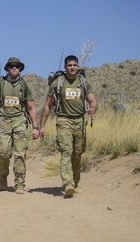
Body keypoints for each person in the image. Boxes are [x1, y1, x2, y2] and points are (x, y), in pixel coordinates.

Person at [39, 55, 98, 198]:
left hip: (80, 122)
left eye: (75, 65)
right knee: (66, 151)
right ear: (65, 67)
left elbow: (93, 101)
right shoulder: (58, 83)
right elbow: (47, 105)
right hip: (63, 120)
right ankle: (67, 184)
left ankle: (75, 183)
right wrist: (42, 126)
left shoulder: (83, 82)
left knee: (77, 153)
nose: (72, 67)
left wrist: (93, 108)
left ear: (77, 66)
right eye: (70, 65)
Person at [0, 57, 39, 195]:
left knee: (20, 154)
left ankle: (19, 183)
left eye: (17, 66)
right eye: (11, 66)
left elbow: (31, 107)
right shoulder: (0, 84)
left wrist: (35, 127)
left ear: (20, 68)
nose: (14, 68)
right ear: (7, 68)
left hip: (19, 121)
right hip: (3, 121)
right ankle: (3, 175)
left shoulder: (24, 85)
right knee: (3, 153)